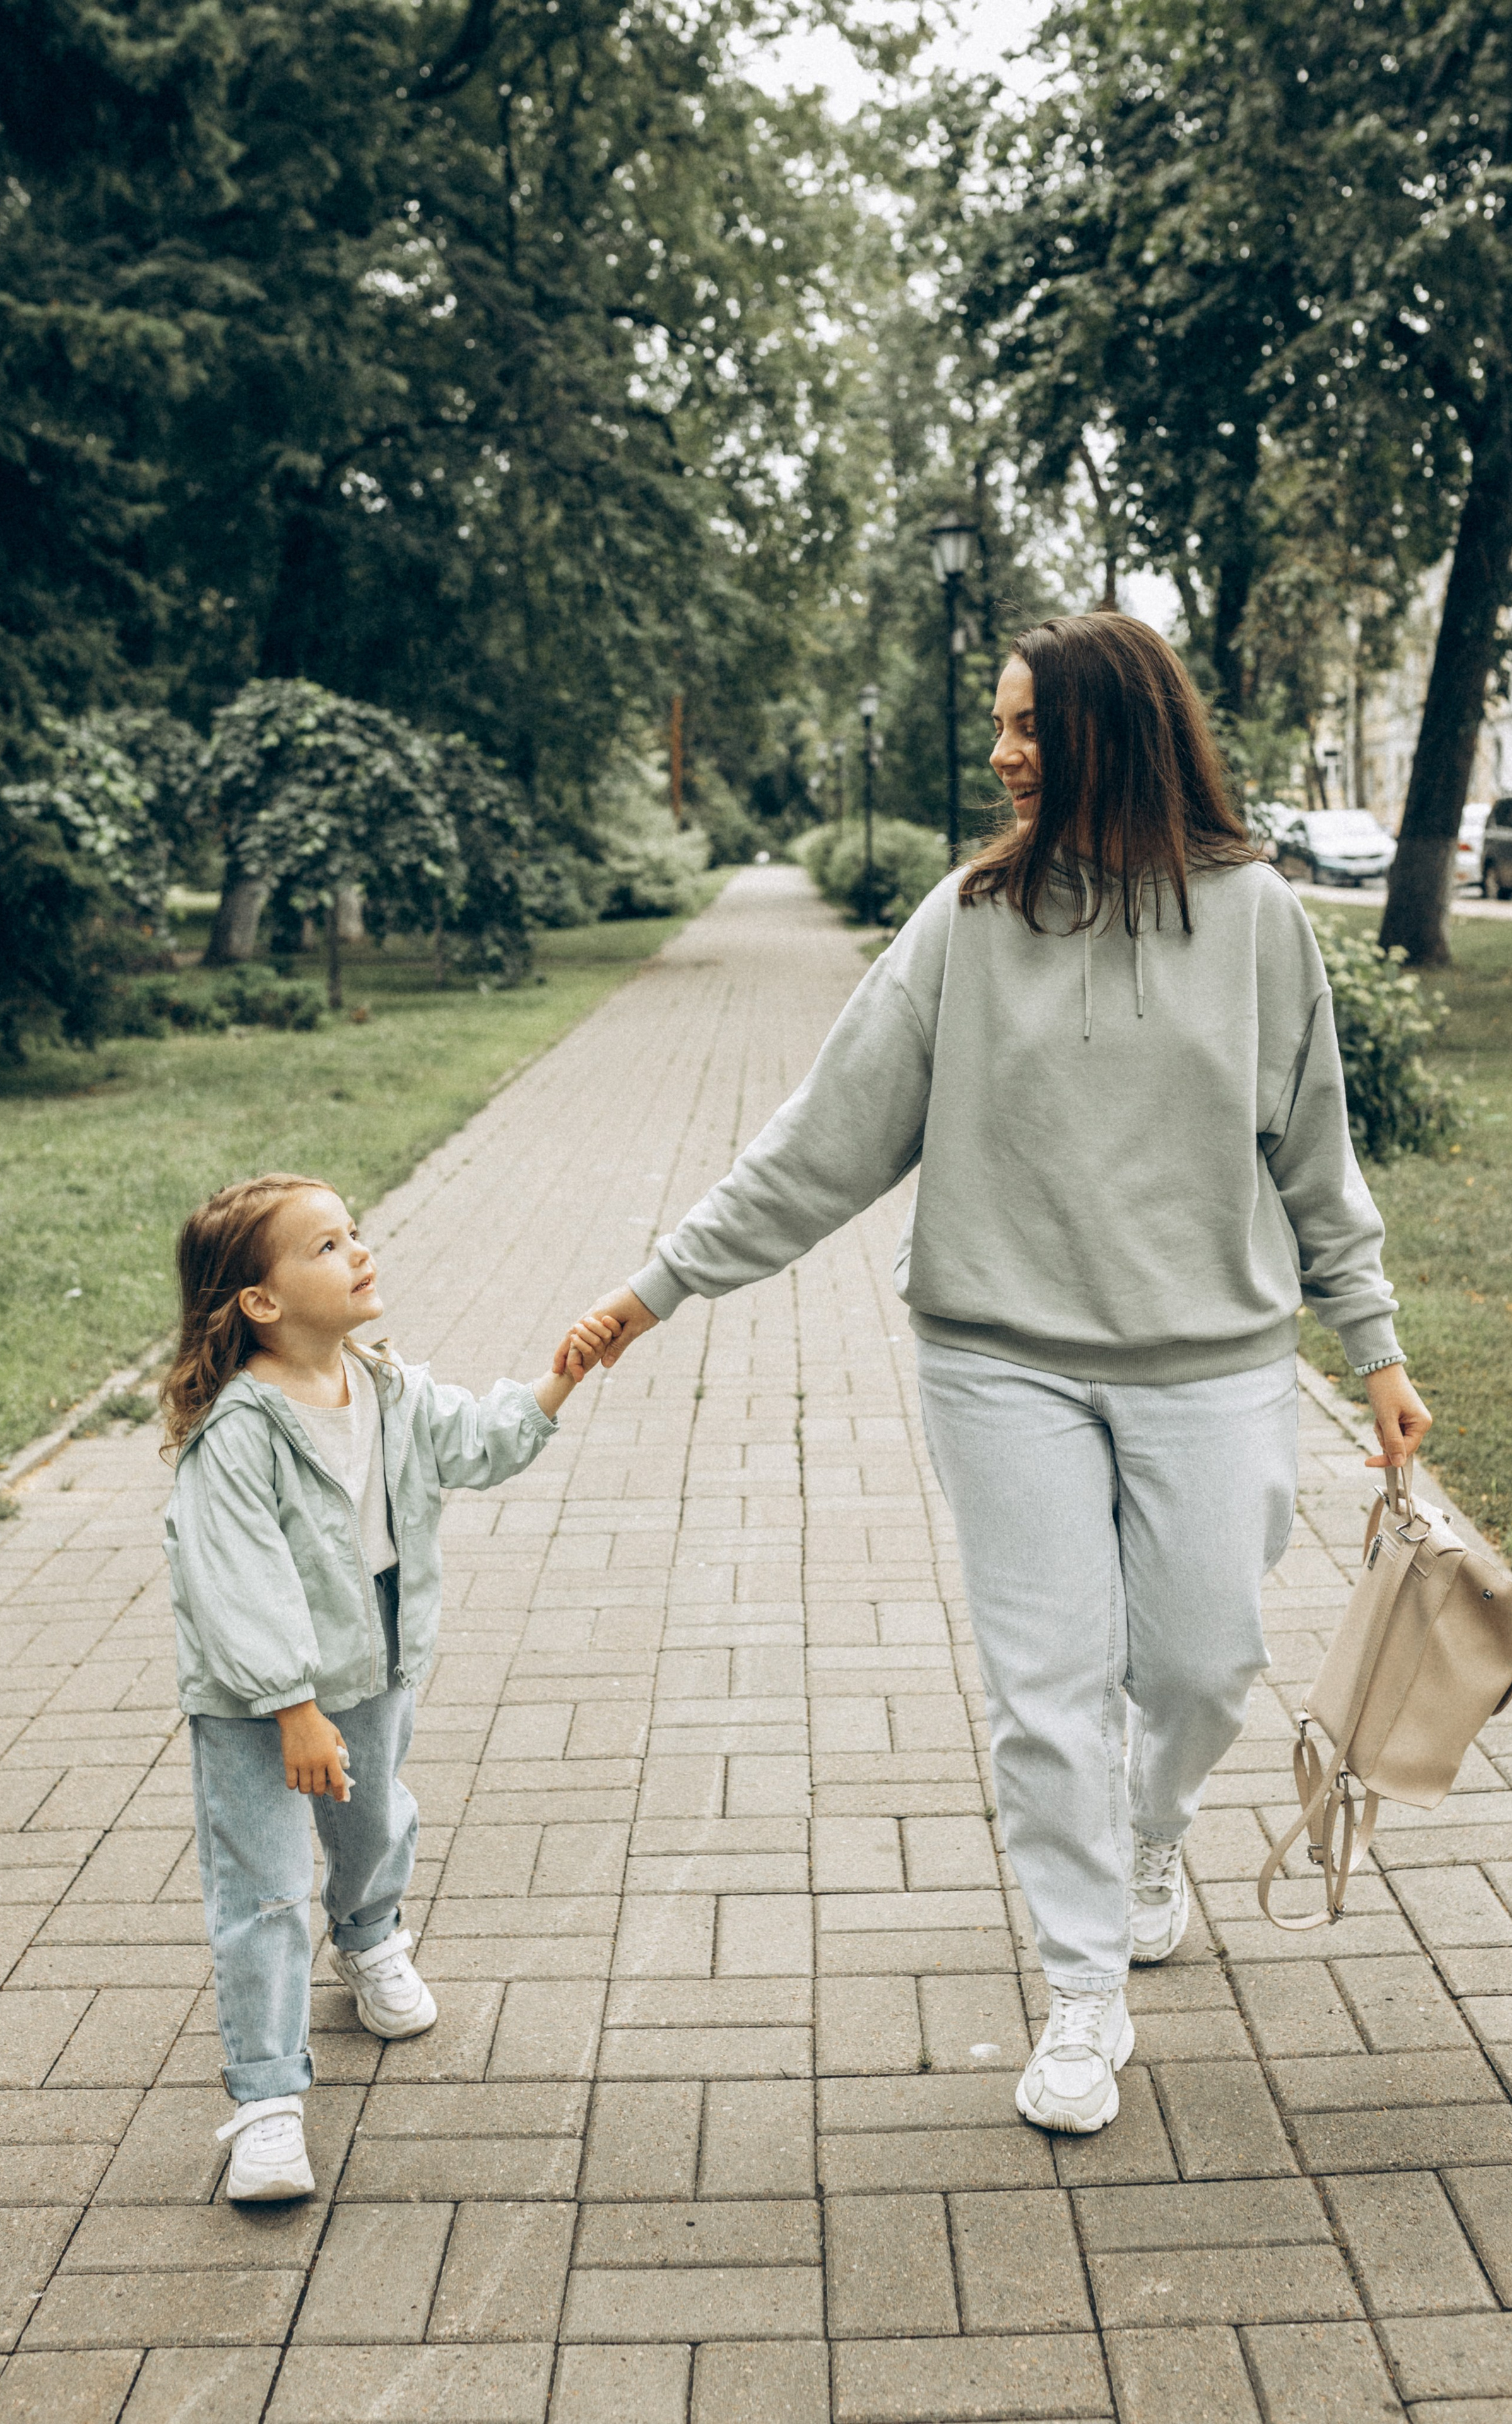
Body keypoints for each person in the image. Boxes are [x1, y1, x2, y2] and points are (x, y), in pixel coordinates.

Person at [558, 613, 1430, 2136]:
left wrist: (1372, 1343)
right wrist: (658, 1286)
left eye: (1029, 725)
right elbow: (821, 1140)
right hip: (1000, 1360)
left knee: (1204, 1661)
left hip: (1211, 1359)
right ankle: (1082, 1989)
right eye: (1000, 724)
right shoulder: (965, 921)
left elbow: (1312, 1152)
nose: (1002, 751)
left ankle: (1148, 1832)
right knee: (1045, 1691)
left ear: (1111, 731)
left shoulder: (1254, 921)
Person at [160, 1172, 612, 2201]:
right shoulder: (239, 1433)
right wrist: (293, 1709)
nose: (359, 1251)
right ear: (259, 1304)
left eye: (353, 1234)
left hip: (371, 1660)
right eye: (324, 1247)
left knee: (375, 1829)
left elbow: (469, 1443)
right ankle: (269, 2102)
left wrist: (558, 1382)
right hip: (257, 1697)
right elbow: (236, 1581)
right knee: (266, 1885)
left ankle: (368, 1945)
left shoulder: (383, 1384)